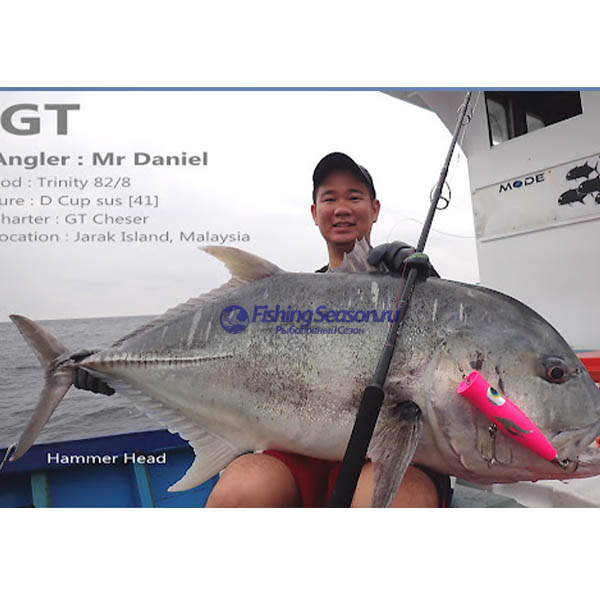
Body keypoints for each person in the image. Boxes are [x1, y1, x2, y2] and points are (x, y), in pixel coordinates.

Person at [73, 152, 452, 507]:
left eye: (354, 197)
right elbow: (231, 364)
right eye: (329, 198)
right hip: (301, 447)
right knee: (237, 494)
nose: (341, 208)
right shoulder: (286, 300)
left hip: (400, 449)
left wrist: (427, 285)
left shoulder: (412, 284)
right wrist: (116, 369)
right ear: (314, 212)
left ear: (375, 209)